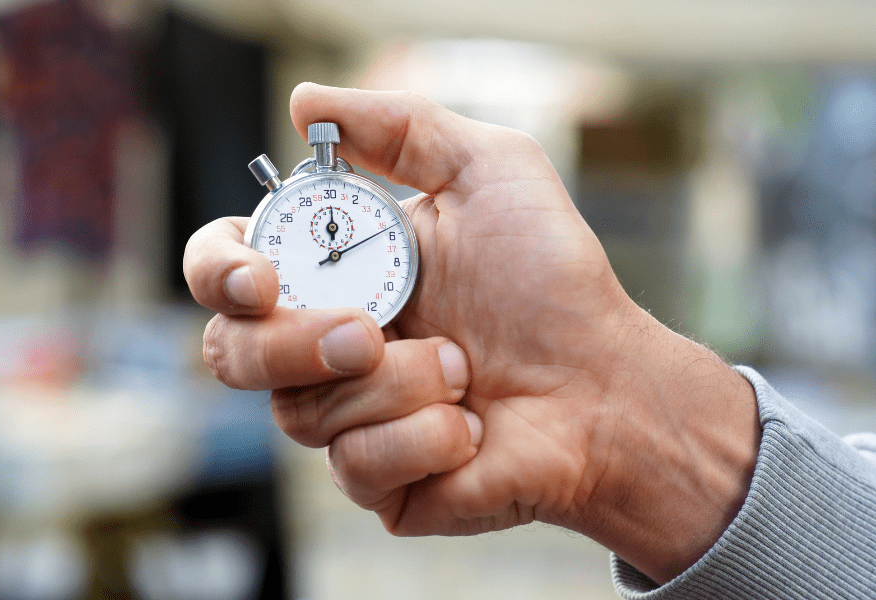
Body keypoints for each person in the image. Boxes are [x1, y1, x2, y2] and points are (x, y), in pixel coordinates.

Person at [183, 83, 876, 599]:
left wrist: (614, 416)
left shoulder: (360, 223)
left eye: (346, 242)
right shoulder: (322, 226)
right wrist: (619, 424)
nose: (334, 254)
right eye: (320, 247)